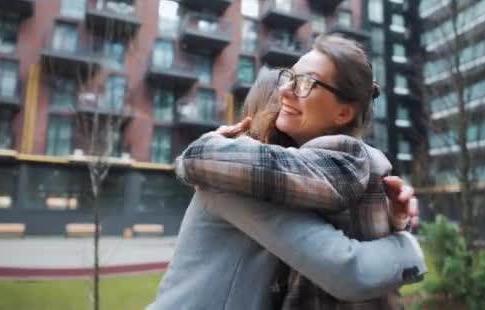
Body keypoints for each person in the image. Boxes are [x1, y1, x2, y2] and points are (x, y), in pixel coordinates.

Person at [147, 36, 424, 310]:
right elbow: (349, 271)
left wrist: (393, 219)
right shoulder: (235, 180)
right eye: (286, 80)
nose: (286, 92)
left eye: (304, 84)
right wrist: (406, 245)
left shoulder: (312, 171)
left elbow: (350, 225)